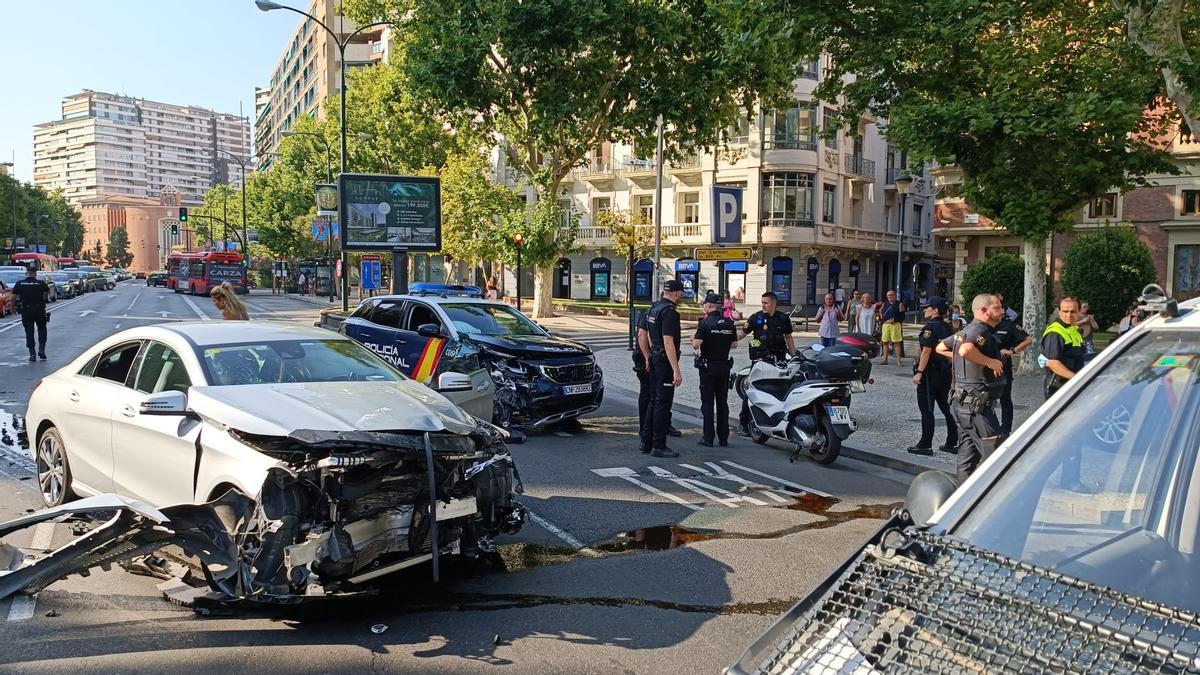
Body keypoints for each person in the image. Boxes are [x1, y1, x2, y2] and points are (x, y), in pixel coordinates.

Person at [936, 293, 1005, 481]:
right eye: (997, 308)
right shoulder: (979, 330)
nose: (1002, 311)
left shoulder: (965, 331)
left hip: (963, 404)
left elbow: (941, 347)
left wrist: (967, 360)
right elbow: (966, 350)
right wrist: (989, 361)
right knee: (998, 457)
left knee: (967, 456)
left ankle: (962, 500)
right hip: (976, 407)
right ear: (984, 311)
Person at [1042, 297, 1088, 492]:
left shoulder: (1074, 330)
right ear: (1059, 311)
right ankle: (1067, 480)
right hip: (1059, 387)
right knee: (1066, 434)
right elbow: (1052, 362)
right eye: (1065, 311)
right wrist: (1077, 378)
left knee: (1071, 434)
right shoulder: (1055, 332)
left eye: (1073, 311)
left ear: (1079, 312)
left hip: (1070, 386)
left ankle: (1069, 478)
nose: (1069, 315)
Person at [737, 291, 795, 436]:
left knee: (780, 389)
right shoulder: (755, 317)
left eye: (766, 302)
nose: (763, 305)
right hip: (760, 361)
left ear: (774, 304)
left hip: (779, 360)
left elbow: (789, 337)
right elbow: (741, 334)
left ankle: (775, 420)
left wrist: (794, 356)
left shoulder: (783, 318)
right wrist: (725, 338)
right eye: (762, 302)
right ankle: (743, 423)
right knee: (752, 390)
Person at [906, 297, 958, 456]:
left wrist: (919, 372)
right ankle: (951, 442)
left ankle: (925, 444)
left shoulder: (930, 328)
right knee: (947, 408)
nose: (924, 310)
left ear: (935, 310)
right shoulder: (948, 327)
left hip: (930, 374)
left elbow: (926, 351)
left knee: (927, 409)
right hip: (945, 372)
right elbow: (952, 352)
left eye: (927, 307)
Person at [643, 279, 685, 458]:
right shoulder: (669, 312)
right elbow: (668, 341)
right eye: (680, 294)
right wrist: (676, 369)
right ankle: (659, 445)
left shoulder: (654, 308)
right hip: (664, 361)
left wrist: (650, 355)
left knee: (653, 400)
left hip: (655, 357)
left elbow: (649, 336)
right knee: (662, 403)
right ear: (677, 293)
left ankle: (646, 441)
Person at [693, 292, 738, 447]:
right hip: (724, 366)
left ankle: (708, 438)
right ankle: (724, 438)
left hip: (708, 367)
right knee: (722, 403)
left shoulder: (704, 323)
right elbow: (734, 345)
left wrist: (695, 339)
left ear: (709, 305)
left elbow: (696, 344)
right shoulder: (729, 323)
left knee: (707, 404)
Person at [992, 292, 1032, 435]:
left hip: (1003, 367)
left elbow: (1028, 339)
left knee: (1005, 399)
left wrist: (1013, 350)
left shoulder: (1009, 325)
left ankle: (1005, 430)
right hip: (985, 367)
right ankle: (990, 428)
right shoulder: (984, 324)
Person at [12, 265, 50, 361]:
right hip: (39, 310)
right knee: (42, 330)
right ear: (35, 273)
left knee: (29, 331)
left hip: (26, 310)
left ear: (27, 273)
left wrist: (13, 308)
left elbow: (14, 297)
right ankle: (42, 350)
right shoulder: (41, 283)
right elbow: (46, 296)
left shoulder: (20, 283)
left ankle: (32, 354)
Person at [879, 289, 906, 365]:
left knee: (896, 343)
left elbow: (903, 317)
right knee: (885, 342)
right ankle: (885, 359)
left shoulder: (899, 304)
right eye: (888, 295)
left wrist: (894, 320)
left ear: (895, 296)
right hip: (885, 325)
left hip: (895, 325)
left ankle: (898, 360)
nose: (890, 297)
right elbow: (880, 311)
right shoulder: (885, 304)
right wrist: (882, 319)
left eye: (891, 295)